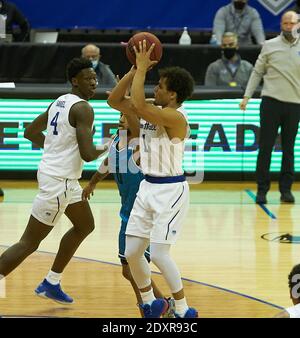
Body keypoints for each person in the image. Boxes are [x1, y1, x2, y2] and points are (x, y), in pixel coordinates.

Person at [0, 57, 109, 304]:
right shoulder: (83, 108)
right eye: (88, 79)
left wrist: (53, 150)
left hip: (63, 179)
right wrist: (109, 144)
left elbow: (30, 131)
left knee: (85, 226)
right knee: (28, 243)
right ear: (74, 81)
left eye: (95, 78)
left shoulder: (59, 101)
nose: (94, 83)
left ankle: (52, 282)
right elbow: (88, 155)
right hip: (59, 182)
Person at [107, 40, 198, 318]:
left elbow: (137, 105)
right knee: (132, 252)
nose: (154, 88)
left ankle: (182, 308)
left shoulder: (175, 117)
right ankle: (150, 302)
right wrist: (135, 70)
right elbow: (114, 101)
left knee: (159, 254)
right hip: (147, 186)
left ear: (172, 95)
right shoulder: (150, 106)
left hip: (171, 190)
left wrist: (142, 69)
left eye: (160, 86)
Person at [82, 113, 175, 318]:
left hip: (145, 216)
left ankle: (152, 308)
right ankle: (162, 305)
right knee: (129, 269)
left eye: (127, 116)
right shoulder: (117, 140)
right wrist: (93, 182)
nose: (122, 118)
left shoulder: (143, 147)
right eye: (121, 114)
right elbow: (109, 162)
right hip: (127, 214)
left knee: (133, 267)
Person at [240, 11, 300, 205]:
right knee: (265, 148)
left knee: (289, 149)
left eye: (292, 23)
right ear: (281, 24)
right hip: (271, 102)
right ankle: (262, 190)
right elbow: (257, 72)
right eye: (285, 23)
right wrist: (247, 97)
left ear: (298, 24)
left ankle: (286, 190)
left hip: (295, 104)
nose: (289, 26)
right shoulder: (269, 45)